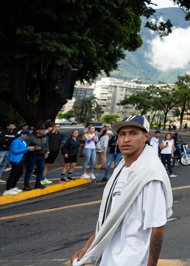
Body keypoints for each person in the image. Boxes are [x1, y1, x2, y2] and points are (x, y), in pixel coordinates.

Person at [71, 114, 172, 266]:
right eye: (122, 134)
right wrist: (87, 247)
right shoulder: (121, 168)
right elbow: (110, 217)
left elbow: (157, 228)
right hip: (108, 257)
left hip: (132, 259)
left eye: (133, 133)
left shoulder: (150, 175)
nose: (126, 139)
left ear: (145, 136)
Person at [4, 130, 34, 195]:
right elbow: (15, 151)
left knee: (20, 173)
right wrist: (27, 149)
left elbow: (22, 150)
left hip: (20, 159)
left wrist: (29, 149)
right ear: (22, 134)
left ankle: (13, 186)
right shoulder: (16, 141)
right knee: (13, 174)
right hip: (15, 159)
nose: (27, 136)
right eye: (27, 135)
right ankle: (7, 189)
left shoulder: (23, 141)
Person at [24, 125, 49, 190]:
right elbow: (26, 147)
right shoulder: (31, 138)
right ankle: (26, 185)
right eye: (41, 129)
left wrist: (47, 152)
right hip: (32, 155)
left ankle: (38, 183)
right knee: (30, 170)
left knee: (40, 169)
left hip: (41, 155)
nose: (43, 131)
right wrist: (35, 149)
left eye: (44, 129)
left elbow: (47, 146)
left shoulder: (45, 137)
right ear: (37, 130)